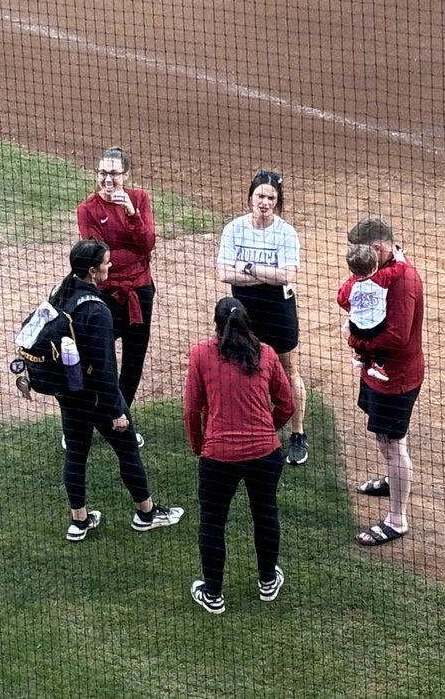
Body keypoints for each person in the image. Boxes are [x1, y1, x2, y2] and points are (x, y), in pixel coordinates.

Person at [50, 238, 183, 541]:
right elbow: (105, 367)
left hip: (69, 394)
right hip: (96, 396)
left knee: (76, 453)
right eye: (106, 262)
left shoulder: (60, 293)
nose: (110, 266)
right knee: (127, 450)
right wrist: (116, 410)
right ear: (94, 271)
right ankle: (147, 514)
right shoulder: (98, 311)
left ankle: (79, 521)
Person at [184, 297, 296, 614]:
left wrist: (199, 446)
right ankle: (267, 582)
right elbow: (287, 405)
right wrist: (266, 430)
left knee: (212, 523)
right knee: (265, 514)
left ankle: (213, 594)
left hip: (218, 457)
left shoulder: (201, 355)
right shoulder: (267, 354)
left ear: (216, 326)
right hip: (265, 454)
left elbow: (192, 410)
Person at [217, 170, 309, 464]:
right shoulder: (233, 229)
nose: (265, 202)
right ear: (250, 198)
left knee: (288, 370)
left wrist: (246, 269)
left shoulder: (286, 232)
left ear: (278, 201)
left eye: (271, 197)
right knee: (242, 366)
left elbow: (286, 276)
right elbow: (222, 273)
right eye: (260, 196)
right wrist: (263, 275)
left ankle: (297, 433)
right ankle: (247, 426)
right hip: (243, 312)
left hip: (278, 310)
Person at [344, 216, 426, 547]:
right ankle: (394, 480)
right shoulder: (382, 268)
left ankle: (397, 519)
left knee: (394, 446)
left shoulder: (404, 281)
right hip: (380, 375)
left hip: (397, 379)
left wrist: (354, 339)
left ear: (378, 248)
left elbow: (395, 336)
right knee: (386, 439)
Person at [77, 146, 156, 445]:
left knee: (134, 361)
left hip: (140, 292)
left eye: (113, 174)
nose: (107, 181)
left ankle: (120, 418)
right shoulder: (87, 209)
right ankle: (81, 423)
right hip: (105, 296)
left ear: (126, 175)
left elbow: (147, 244)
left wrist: (132, 215)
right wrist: (131, 254)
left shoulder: (140, 200)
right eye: (102, 174)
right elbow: (96, 254)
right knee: (97, 360)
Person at [336, 242, 406, 382]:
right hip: (377, 326)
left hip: (356, 326)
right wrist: (399, 256)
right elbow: (400, 268)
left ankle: (361, 356)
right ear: (375, 267)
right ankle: (377, 365)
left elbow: (341, 299)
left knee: (358, 334)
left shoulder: (350, 285)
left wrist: (354, 309)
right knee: (382, 345)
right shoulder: (382, 277)